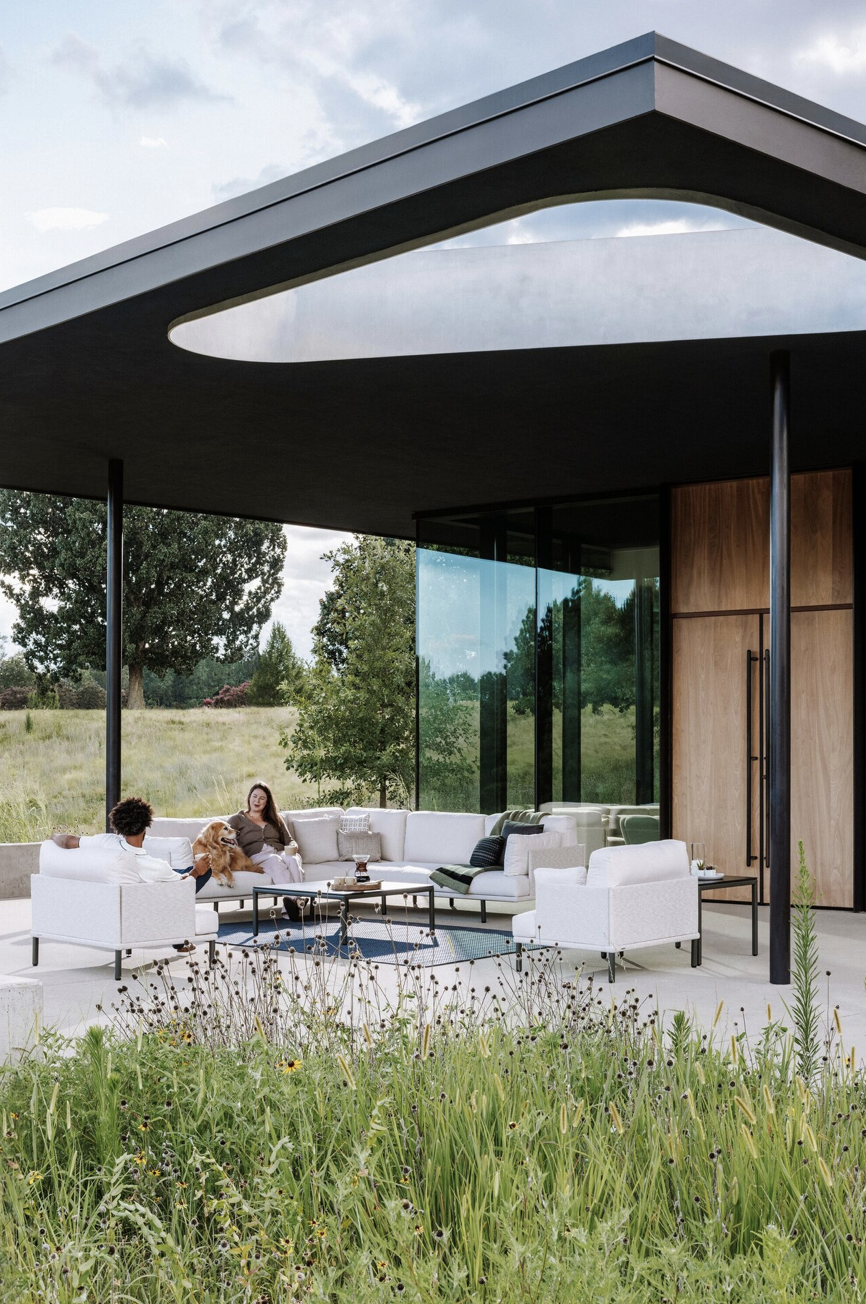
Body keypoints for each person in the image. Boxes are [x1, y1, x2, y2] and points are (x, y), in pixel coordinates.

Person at [52, 795, 211, 954]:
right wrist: (197, 871)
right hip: (147, 903)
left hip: (113, 902)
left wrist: (52, 837)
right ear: (145, 827)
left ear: (119, 825)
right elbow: (182, 887)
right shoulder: (155, 866)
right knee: (201, 872)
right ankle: (179, 939)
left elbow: (67, 842)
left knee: (175, 875)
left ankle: (179, 941)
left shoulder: (104, 842)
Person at [227, 782, 305, 920]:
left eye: (262, 798)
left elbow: (290, 840)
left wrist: (293, 847)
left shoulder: (275, 818)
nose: (257, 800)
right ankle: (299, 900)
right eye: (254, 796)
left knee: (293, 859)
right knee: (275, 861)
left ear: (267, 801)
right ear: (249, 797)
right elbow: (225, 837)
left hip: (280, 852)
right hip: (258, 856)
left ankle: (289, 911)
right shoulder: (238, 819)